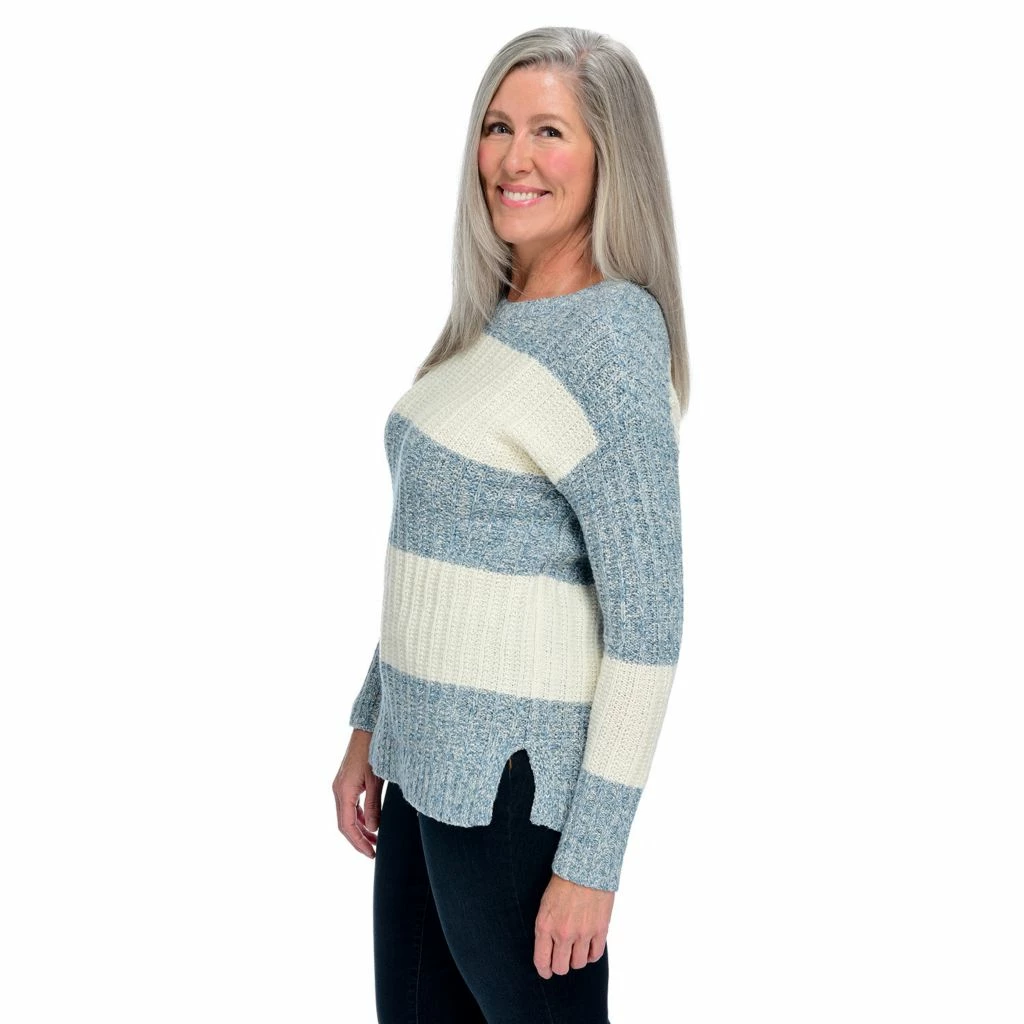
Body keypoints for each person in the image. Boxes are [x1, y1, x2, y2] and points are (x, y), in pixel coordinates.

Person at [333, 25, 689, 1024]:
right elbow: (438, 556)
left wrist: (592, 861)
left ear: (611, 158)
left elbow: (649, 624)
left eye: (549, 132)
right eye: (498, 127)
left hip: (515, 799)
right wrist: (370, 724)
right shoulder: (492, 320)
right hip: (422, 779)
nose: (513, 158)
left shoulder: (610, 337)